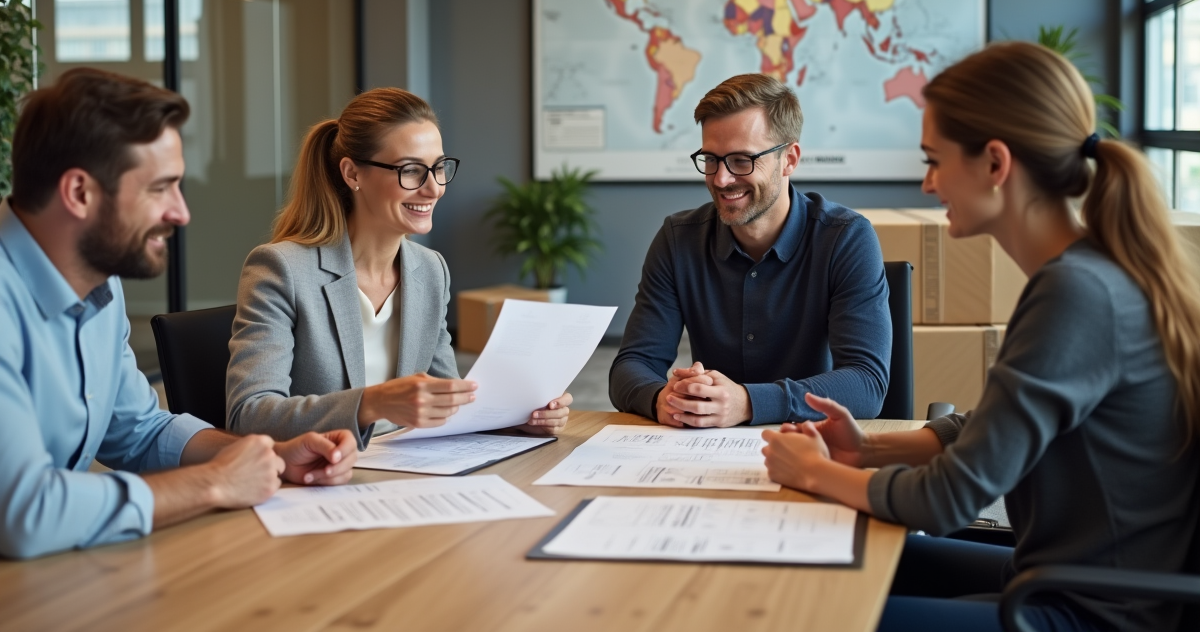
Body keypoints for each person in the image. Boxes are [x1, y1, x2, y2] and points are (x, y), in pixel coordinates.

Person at [762, 41, 1200, 632]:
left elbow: (948, 501)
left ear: (996, 164)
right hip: (1063, 581)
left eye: (934, 160)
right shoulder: (1089, 274)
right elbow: (992, 426)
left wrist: (814, 473)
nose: (927, 183)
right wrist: (867, 449)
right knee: (834, 563)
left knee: (806, 615)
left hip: (1090, 613)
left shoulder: (1078, 294)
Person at [0, 68, 358, 560]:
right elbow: (24, 513)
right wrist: (212, 483)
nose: (181, 212)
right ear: (79, 193)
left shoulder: (97, 283)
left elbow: (139, 431)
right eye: (159, 188)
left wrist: (266, 456)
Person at [226, 88, 571, 446]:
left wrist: (516, 418)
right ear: (352, 173)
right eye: (411, 170)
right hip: (322, 475)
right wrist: (373, 403)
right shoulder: (282, 269)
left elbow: (444, 402)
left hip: (406, 467)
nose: (434, 188)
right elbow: (249, 414)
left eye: (439, 168)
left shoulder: (430, 270)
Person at [609, 73, 890, 428]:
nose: (722, 179)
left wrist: (748, 403)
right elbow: (630, 366)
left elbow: (867, 384)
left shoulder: (846, 239)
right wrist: (660, 398)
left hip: (810, 445)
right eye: (711, 159)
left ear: (789, 159)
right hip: (707, 448)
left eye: (742, 160)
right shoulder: (678, 240)